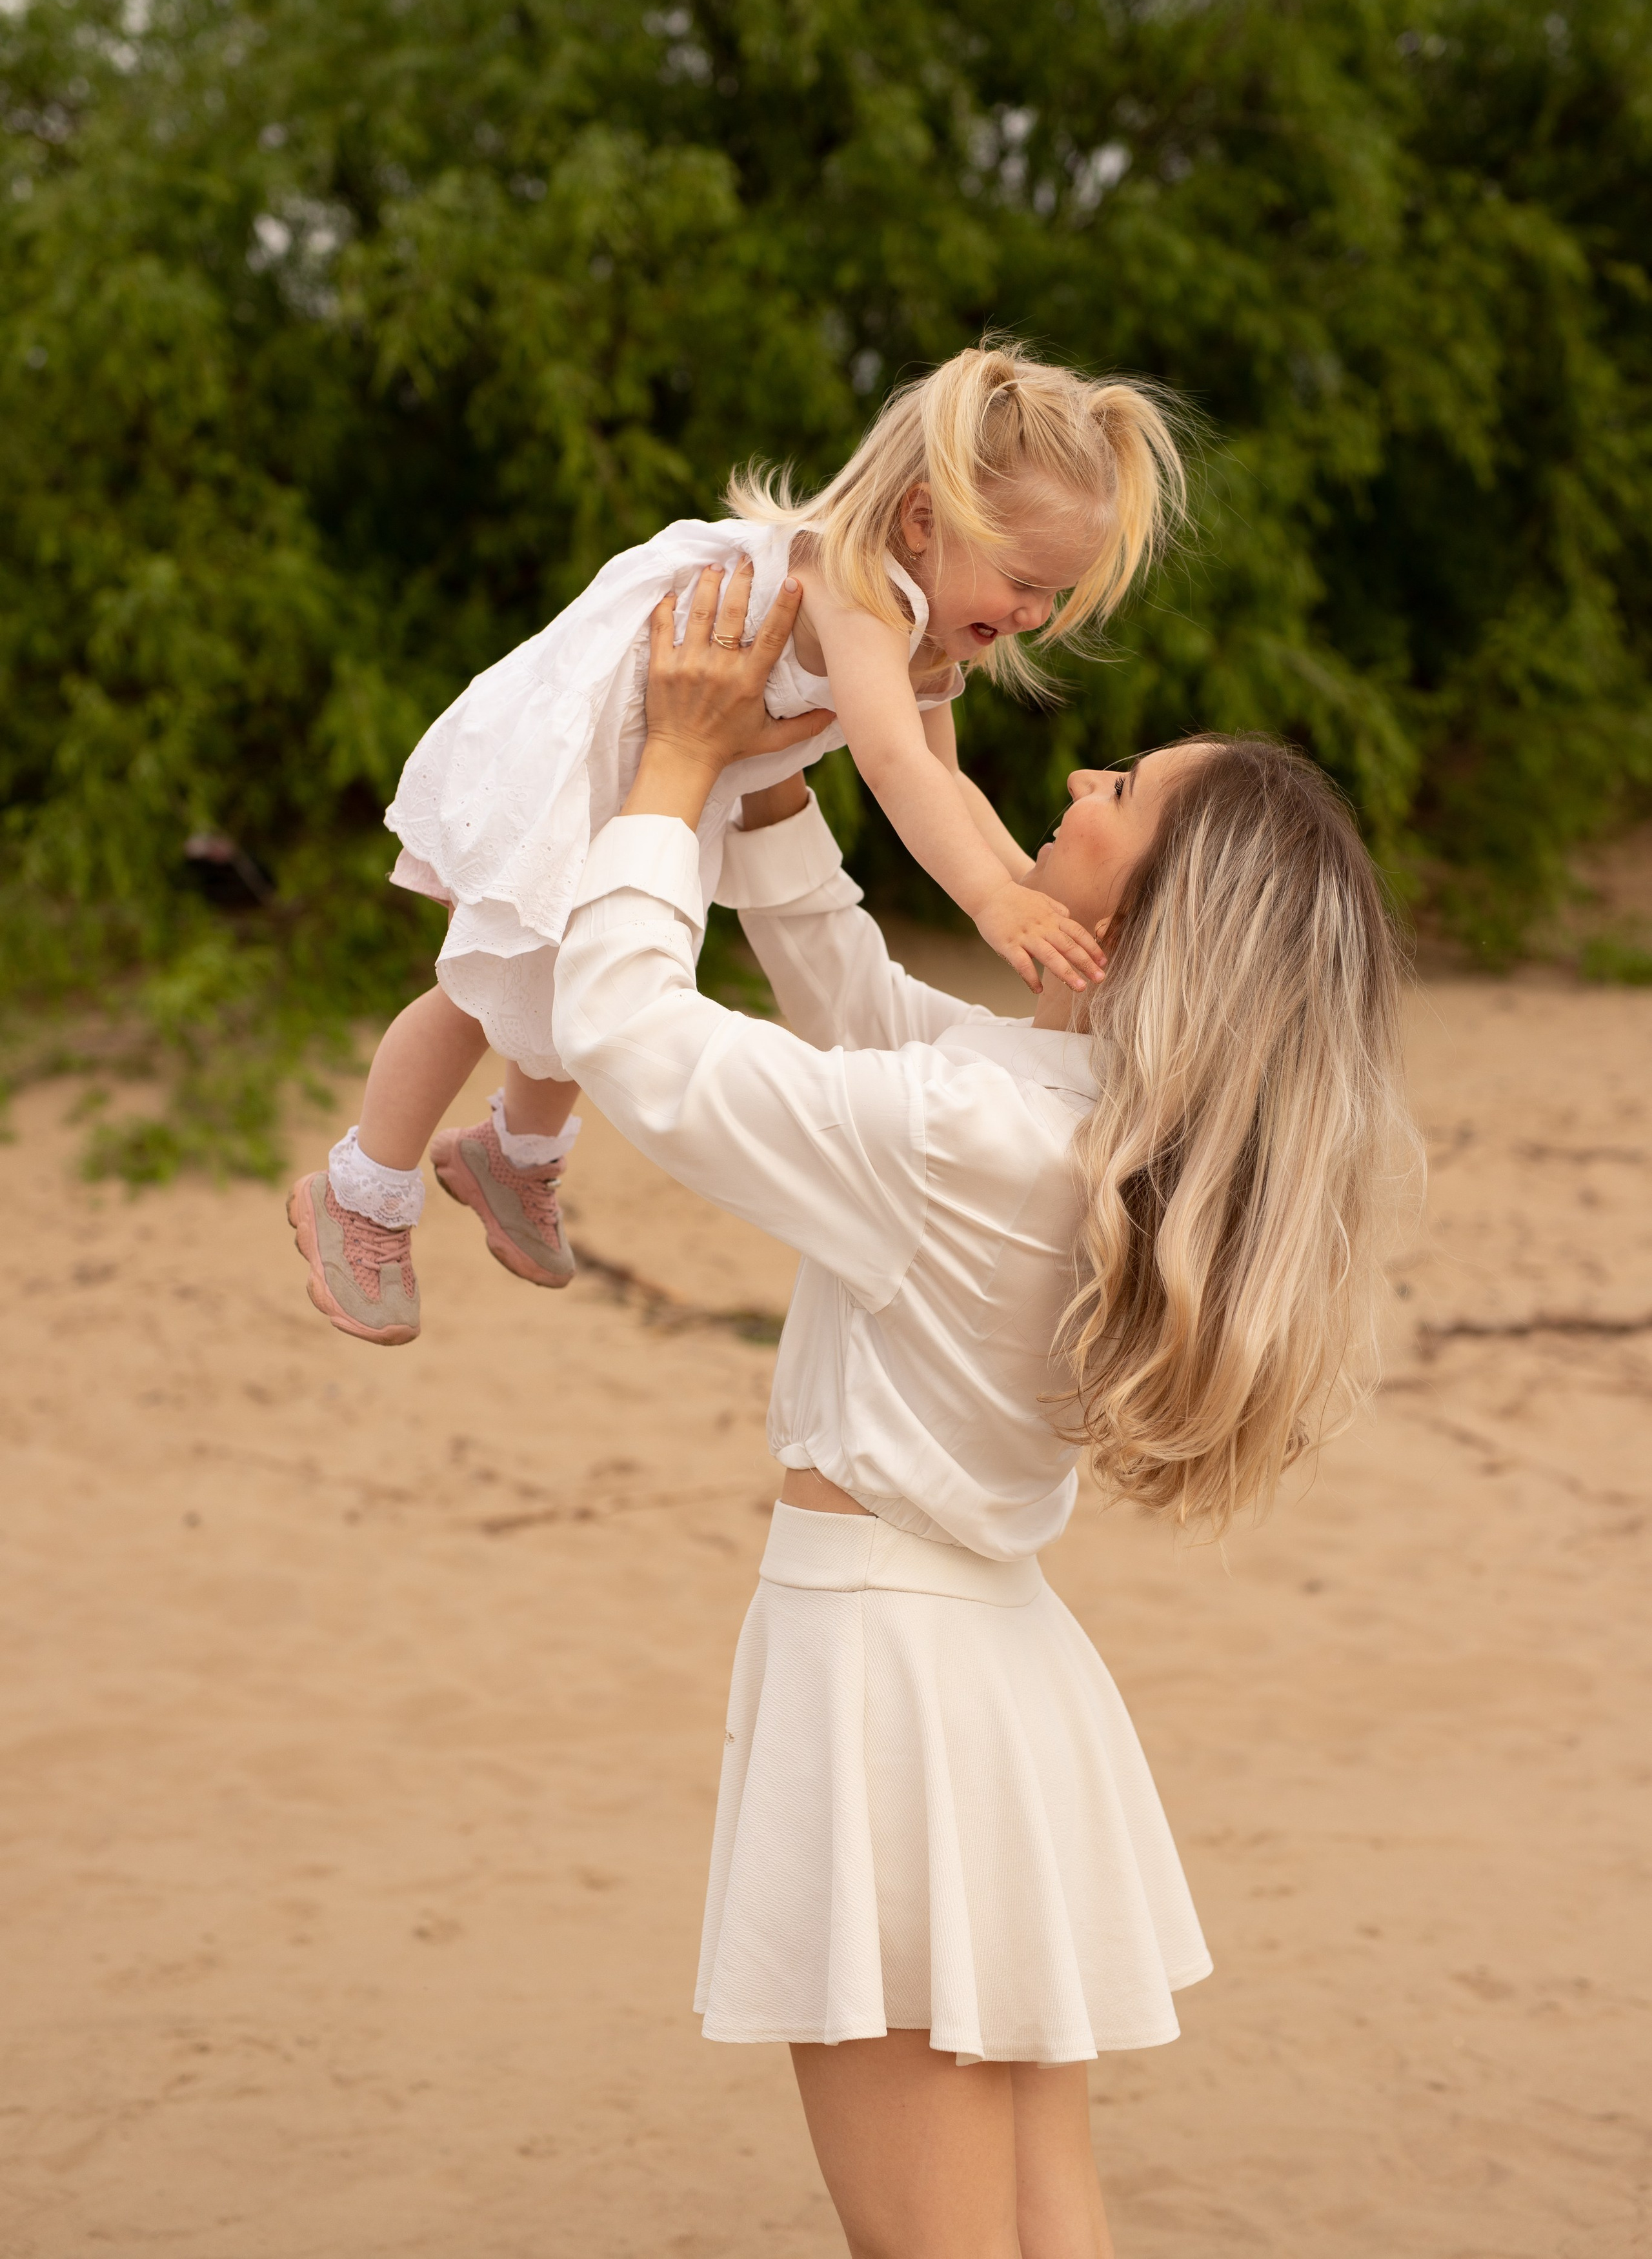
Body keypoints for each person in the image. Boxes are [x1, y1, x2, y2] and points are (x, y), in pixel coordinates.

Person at [550, 570, 1416, 2259]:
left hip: (886, 1677)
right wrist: (780, 783)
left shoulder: (979, 1139)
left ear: (1142, 914)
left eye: (1122, 794)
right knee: (1039, 2226)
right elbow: (863, 1009)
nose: (1079, 787)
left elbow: (627, 1036)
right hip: (993, 1674)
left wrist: (671, 776)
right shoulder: (1073, 1118)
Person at [287, 342, 1185, 1343]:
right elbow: (894, 768)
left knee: (587, 963)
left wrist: (1028, 887)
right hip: (589, 751)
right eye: (1024, 580)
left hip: (675, 774)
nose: (1035, 614)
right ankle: (362, 1189)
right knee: (487, 982)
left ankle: (511, 1155)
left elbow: (950, 782)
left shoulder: (932, 634)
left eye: (1055, 595)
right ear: (924, 521)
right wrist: (989, 900)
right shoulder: (859, 587)